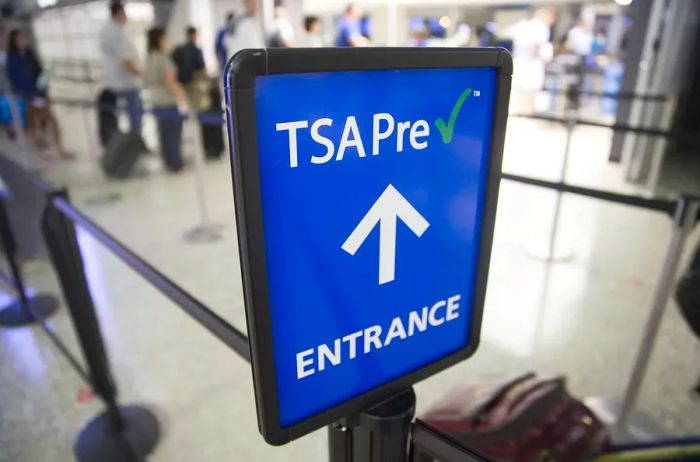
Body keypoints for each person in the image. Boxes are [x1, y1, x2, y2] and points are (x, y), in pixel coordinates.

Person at [6, 29, 70, 160]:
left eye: (23, 38)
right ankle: (38, 153)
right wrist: (28, 92)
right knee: (33, 124)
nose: (23, 41)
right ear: (14, 41)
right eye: (20, 39)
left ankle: (60, 149)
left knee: (52, 121)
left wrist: (43, 87)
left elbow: (39, 72)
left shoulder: (29, 54)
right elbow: (17, 79)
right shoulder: (12, 59)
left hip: (39, 93)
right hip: (28, 96)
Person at [144, 27, 188, 173]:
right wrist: (181, 97)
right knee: (173, 135)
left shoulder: (149, 58)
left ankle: (168, 162)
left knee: (163, 134)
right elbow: (170, 81)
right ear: (160, 39)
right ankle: (176, 163)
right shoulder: (163, 58)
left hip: (155, 100)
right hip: (168, 101)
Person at [99, 1, 143, 134]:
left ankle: (133, 140)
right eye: (124, 13)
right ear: (119, 13)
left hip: (120, 81)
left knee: (133, 113)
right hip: (125, 82)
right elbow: (125, 61)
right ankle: (135, 142)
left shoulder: (113, 29)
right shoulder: (115, 33)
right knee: (135, 114)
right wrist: (142, 74)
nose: (126, 16)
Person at [172, 26, 209, 111]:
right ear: (194, 35)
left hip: (182, 83)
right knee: (197, 107)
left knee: (187, 106)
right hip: (194, 82)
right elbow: (203, 68)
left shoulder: (179, 49)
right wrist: (208, 80)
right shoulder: (196, 50)